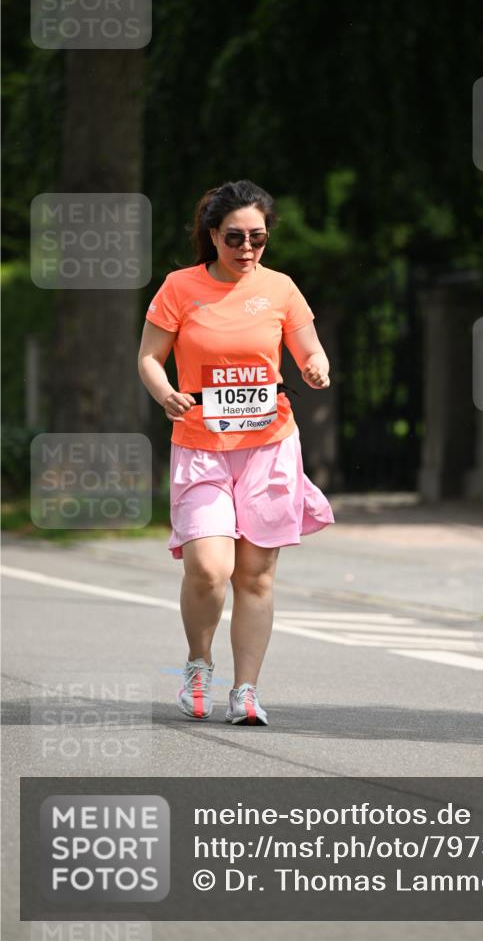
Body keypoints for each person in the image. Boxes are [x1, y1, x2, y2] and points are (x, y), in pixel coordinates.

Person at [137, 179, 334, 726]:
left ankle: (245, 691)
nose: (247, 249)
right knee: (209, 568)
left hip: (269, 446)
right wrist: (166, 393)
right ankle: (200, 665)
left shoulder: (281, 289)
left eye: (258, 238)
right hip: (201, 446)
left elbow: (309, 349)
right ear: (212, 235)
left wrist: (316, 366)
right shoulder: (180, 287)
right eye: (235, 238)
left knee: (256, 576)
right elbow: (150, 357)